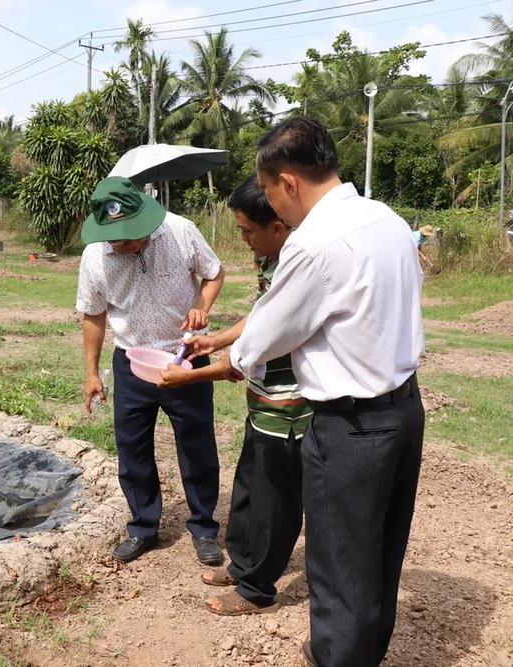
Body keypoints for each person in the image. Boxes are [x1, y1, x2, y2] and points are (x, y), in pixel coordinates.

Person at [214, 117, 425, 667]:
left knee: (339, 565)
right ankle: (361, 650)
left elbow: (262, 337)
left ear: (288, 182)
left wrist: (221, 355)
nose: (271, 208)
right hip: (404, 410)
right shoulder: (388, 219)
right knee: (379, 549)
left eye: (266, 192)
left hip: (350, 427)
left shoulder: (312, 245)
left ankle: (338, 655)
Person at [158, 175, 311, 618]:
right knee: (248, 488)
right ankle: (243, 562)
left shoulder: (297, 265)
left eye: (247, 231)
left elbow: (257, 352)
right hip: (263, 401)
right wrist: (215, 340)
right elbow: (262, 314)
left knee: (275, 500)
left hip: (290, 407)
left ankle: (257, 586)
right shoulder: (271, 259)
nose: (242, 239)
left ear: (277, 226)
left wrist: (190, 375)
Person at [75, 175, 227, 566]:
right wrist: (92, 373)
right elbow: (93, 315)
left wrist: (202, 306)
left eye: (132, 235)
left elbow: (214, 273)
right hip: (131, 363)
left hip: (186, 357)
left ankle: (204, 528)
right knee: (133, 448)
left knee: (196, 446)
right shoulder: (95, 256)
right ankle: (143, 526)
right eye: (118, 239)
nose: (126, 244)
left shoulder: (179, 231)